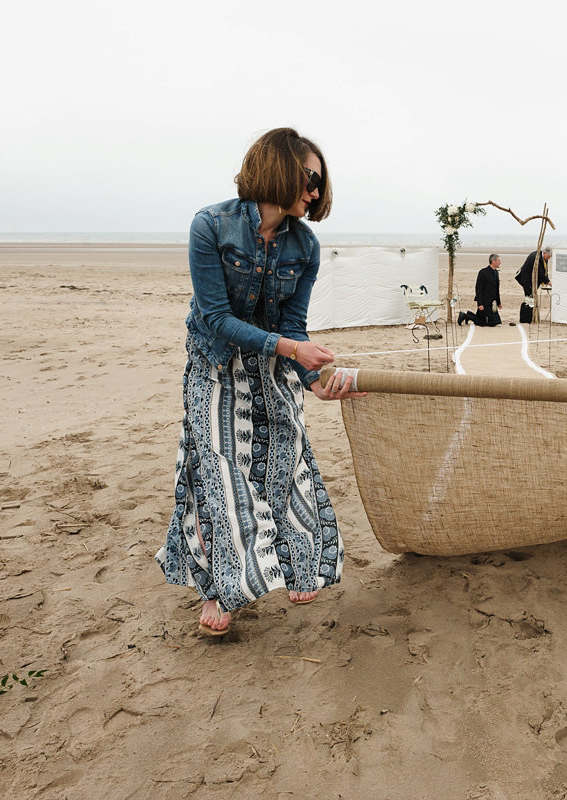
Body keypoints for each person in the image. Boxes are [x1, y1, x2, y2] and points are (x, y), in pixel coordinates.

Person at [155, 128, 365, 637]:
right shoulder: (211, 225)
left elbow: (293, 326)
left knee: (282, 462)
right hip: (215, 362)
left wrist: (314, 378)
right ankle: (221, 590)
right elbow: (216, 318)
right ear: (280, 168)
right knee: (218, 470)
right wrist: (292, 350)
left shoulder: (306, 245)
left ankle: (293, 563)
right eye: (309, 178)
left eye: (319, 182)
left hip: (271, 365)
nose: (314, 192)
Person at [515, 246, 551, 323]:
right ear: (544, 253)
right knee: (529, 298)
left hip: (533, 280)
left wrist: (547, 280)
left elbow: (545, 271)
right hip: (527, 280)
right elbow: (539, 273)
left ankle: (531, 316)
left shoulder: (544, 259)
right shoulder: (536, 258)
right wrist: (547, 281)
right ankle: (527, 318)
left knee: (532, 297)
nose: (549, 258)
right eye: (548, 256)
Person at [473, 253, 503, 326]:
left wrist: (499, 302)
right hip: (484, 301)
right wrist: (480, 304)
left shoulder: (496, 272)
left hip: (492, 302)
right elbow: (478, 289)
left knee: (496, 322)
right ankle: (465, 316)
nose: (500, 262)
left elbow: (496, 289)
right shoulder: (483, 272)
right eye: (498, 261)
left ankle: (467, 315)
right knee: (482, 322)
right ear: (493, 261)